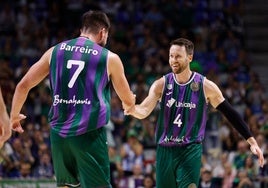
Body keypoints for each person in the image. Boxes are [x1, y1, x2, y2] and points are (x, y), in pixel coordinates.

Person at [10, 10, 135, 188]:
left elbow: (23, 85)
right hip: (89, 133)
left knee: (66, 186)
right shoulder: (109, 57)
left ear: (82, 29)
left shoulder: (54, 51)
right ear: (103, 32)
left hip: (58, 133)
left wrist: (14, 116)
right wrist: (131, 100)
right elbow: (127, 101)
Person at [125, 38, 264, 188]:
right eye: (171, 56)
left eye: (178, 56)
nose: (173, 60)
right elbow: (144, 110)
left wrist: (251, 141)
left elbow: (230, 113)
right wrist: (133, 109)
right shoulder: (161, 84)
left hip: (190, 149)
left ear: (190, 57)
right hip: (165, 150)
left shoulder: (206, 86)